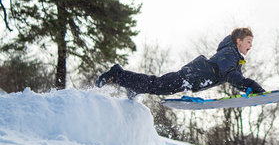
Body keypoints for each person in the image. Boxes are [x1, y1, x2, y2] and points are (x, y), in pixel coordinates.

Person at [95, 27, 265, 97]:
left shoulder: (234, 58)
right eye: (248, 41)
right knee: (156, 84)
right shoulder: (228, 53)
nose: (251, 45)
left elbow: (236, 77)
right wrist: (250, 86)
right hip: (189, 77)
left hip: (190, 80)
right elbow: (231, 76)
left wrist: (248, 88)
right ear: (238, 41)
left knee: (157, 86)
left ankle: (133, 85)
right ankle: (118, 74)